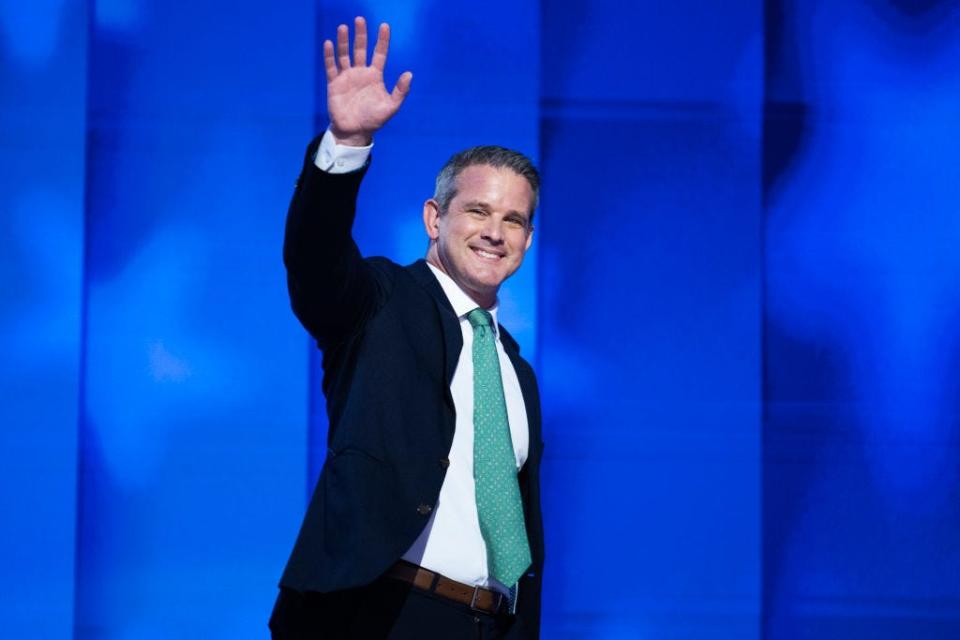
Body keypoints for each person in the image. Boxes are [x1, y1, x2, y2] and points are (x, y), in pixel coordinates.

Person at [269, 16, 545, 639]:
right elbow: (314, 258)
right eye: (477, 210)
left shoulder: (516, 372)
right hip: (377, 615)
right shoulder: (381, 302)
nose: (494, 232)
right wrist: (346, 144)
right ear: (433, 218)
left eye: (513, 219)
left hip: (487, 626)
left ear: (527, 240)